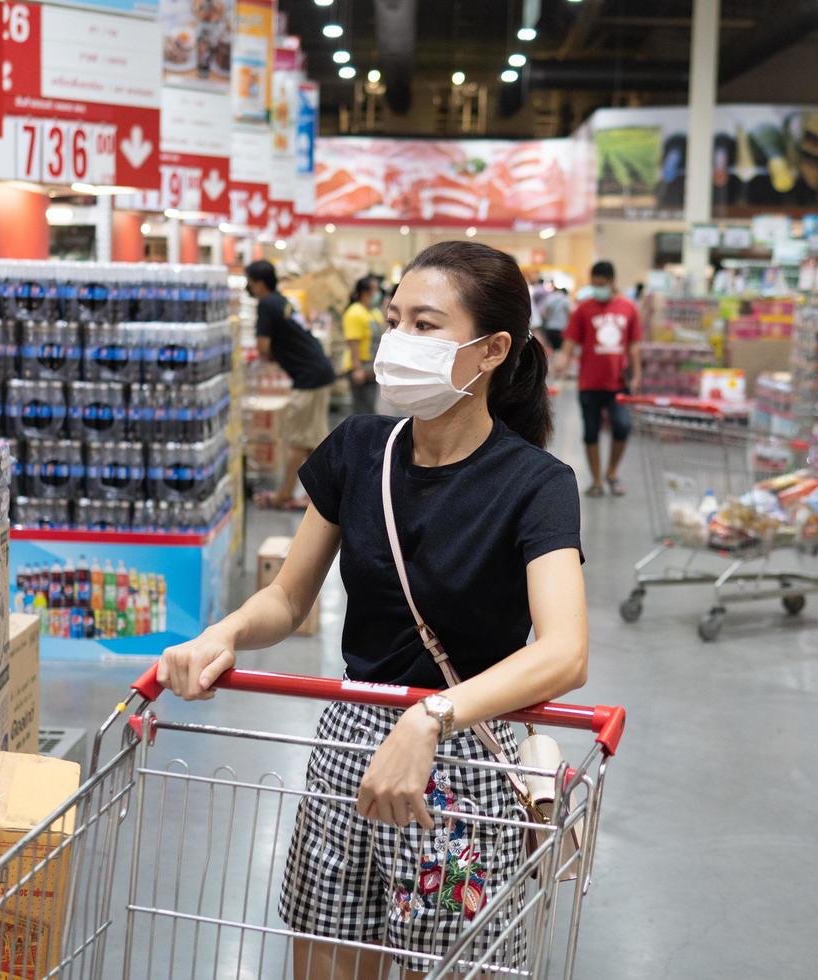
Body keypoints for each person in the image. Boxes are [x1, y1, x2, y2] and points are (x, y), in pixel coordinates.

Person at [160, 241, 588, 979]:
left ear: (490, 350)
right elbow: (287, 598)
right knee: (325, 960)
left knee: (452, 962)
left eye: (426, 325)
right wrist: (222, 633)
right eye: (394, 320)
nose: (398, 343)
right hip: (349, 744)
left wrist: (429, 717)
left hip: (461, 748)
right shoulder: (359, 450)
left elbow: (563, 653)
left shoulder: (535, 485)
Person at [245, 260, 336, 510]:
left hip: (308, 378)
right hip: (319, 371)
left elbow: (263, 347)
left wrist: (268, 358)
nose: (248, 288)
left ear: (259, 283)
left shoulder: (265, 304)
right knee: (312, 440)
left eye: (250, 282)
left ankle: (283, 495)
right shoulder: (282, 300)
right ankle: (322, 495)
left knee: (297, 440)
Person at [555, 260, 642, 498]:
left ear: (612, 282)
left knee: (622, 426)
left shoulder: (628, 308)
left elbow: (634, 346)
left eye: (601, 284)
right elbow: (571, 341)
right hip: (589, 383)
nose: (597, 288)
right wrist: (562, 359)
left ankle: (612, 472)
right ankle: (595, 480)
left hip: (618, 383)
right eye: (594, 284)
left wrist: (637, 375)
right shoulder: (583, 309)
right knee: (590, 432)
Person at [342, 275, 383, 414]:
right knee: (362, 410)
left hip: (371, 367)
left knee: (370, 408)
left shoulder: (374, 311)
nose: (378, 293)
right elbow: (353, 342)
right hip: (360, 365)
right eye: (375, 289)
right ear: (365, 292)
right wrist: (357, 369)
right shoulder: (355, 312)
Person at [539, 285, 572, 351]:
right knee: (559, 350)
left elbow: (543, 313)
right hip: (561, 328)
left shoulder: (549, 298)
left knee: (551, 349)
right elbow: (570, 313)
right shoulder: (566, 300)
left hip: (549, 327)